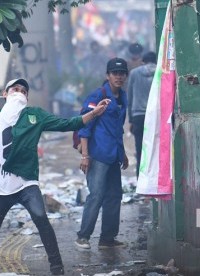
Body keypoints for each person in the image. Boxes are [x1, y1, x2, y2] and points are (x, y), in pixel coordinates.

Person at [0, 78, 110, 275]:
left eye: (23, 91)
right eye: (15, 89)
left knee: (41, 219)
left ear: (27, 98)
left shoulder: (35, 116)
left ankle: (57, 267)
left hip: (26, 184)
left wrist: (94, 113)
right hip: (0, 188)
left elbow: (69, 123)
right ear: (5, 94)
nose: (19, 92)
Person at [75, 57, 129, 250]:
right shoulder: (97, 96)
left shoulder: (123, 97)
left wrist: (122, 153)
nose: (119, 77)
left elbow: (118, 129)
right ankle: (83, 237)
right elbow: (84, 125)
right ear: (108, 75)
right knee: (96, 195)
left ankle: (107, 238)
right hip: (97, 155)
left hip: (113, 155)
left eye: (122, 73)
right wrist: (85, 155)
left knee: (115, 196)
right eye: (115, 73)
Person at [127, 51, 157, 178]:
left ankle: (141, 181)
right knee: (155, 150)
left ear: (143, 61)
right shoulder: (161, 72)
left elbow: (130, 96)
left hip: (138, 116)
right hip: (155, 116)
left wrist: (131, 119)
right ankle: (155, 180)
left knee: (140, 150)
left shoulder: (134, 73)